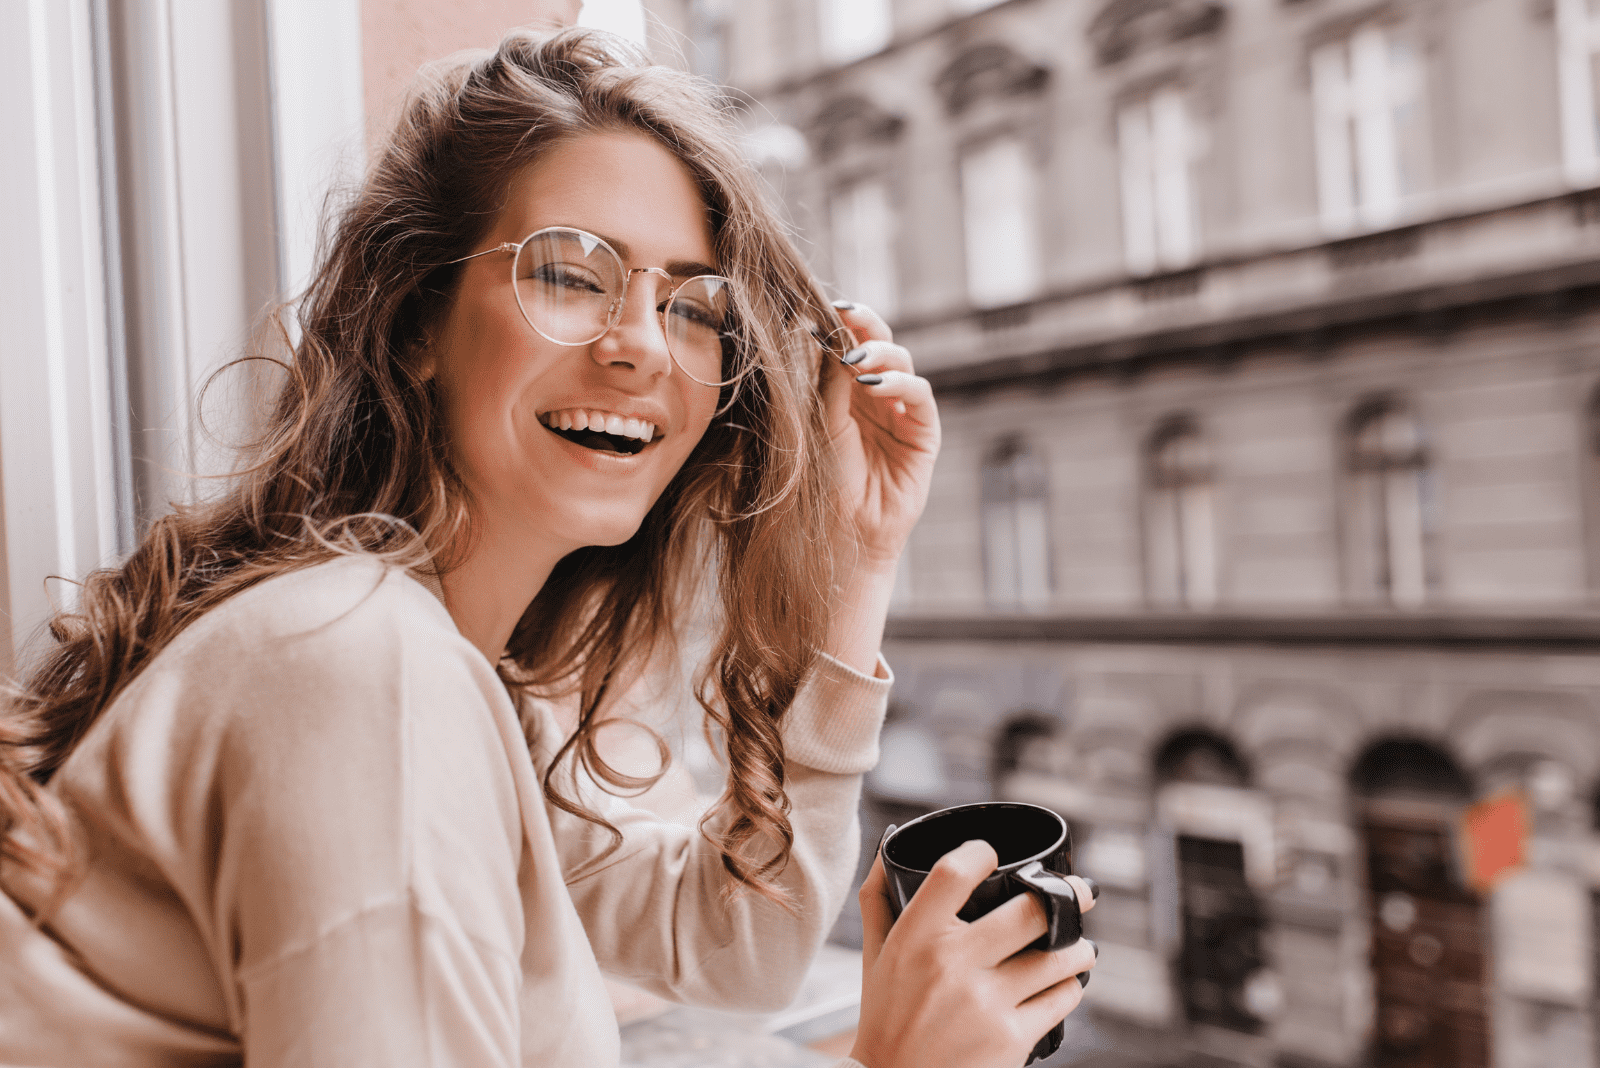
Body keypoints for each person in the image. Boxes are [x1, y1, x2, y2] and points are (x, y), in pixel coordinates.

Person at [0, 29, 1095, 1068]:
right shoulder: (359, 673)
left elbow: (737, 946)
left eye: (694, 306)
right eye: (572, 274)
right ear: (415, 320)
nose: (639, 347)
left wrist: (858, 555)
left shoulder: (434, 674)